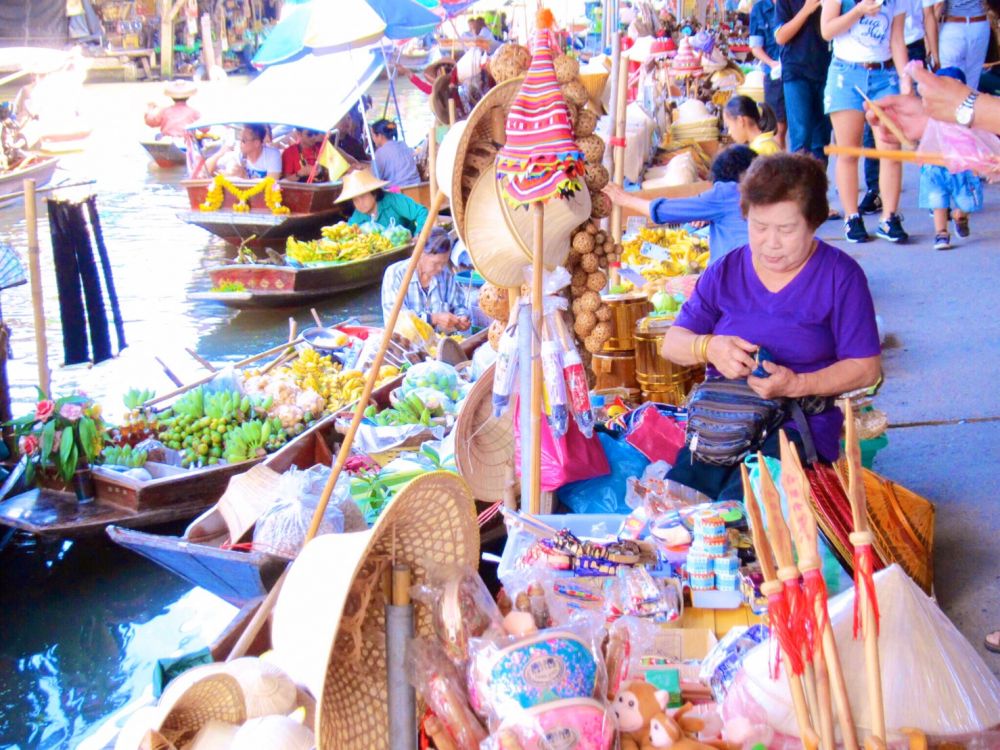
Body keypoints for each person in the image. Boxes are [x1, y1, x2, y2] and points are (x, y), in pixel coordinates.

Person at [660, 153, 882, 500]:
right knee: (678, 506)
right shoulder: (725, 271)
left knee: (745, 511)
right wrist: (709, 347)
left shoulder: (841, 276)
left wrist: (797, 384)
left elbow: (866, 368)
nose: (771, 242)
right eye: (759, 227)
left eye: (787, 229)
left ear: (814, 223)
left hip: (796, 427)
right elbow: (672, 343)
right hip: (722, 422)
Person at [821, 0, 911, 244]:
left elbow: (897, 39)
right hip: (846, 72)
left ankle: (889, 217)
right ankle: (852, 216)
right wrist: (859, 10)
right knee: (849, 150)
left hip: (885, 72)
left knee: (891, 149)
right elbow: (826, 30)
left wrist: (906, 81)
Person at [602, 145, 758, 263]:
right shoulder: (761, 193)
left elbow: (665, 211)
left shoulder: (727, 192)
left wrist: (625, 199)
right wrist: (710, 213)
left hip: (740, 274)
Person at [859, 0, 936, 215]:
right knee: (875, 129)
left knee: (919, 124)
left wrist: (931, 51)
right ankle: (875, 189)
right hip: (877, 51)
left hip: (910, 45)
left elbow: (930, 10)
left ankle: (935, 190)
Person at [917, 67, 983, 250]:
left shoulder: (968, 115)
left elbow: (978, 139)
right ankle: (941, 233)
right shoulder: (930, 114)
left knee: (967, 201)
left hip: (963, 166)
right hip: (936, 167)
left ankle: (960, 216)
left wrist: (978, 163)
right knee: (938, 201)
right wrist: (922, 157)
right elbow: (924, 138)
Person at [381, 226, 471, 333]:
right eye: (436, 263)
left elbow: (459, 305)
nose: (440, 268)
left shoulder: (446, 275)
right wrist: (433, 319)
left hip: (440, 345)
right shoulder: (395, 274)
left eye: (443, 263)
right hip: (407, 345)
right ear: (420, 254)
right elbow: (397, 320)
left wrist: (461, 319)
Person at [774, 0, 832, 164]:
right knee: (801, 136)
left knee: (822, 139)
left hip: (826, 69)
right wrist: (805, 11)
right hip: (796, 72)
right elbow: (780, 36)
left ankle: (818, 187)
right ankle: (799, 188)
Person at [337, 169, 429, 234]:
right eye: (355, 199)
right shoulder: (357, 216)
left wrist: (419, 235)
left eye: (363, 196)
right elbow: (349, 233)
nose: (360, 203)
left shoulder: (393, 200)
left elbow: (421, 212)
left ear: (374, 193)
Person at [925, 0, 990, 92]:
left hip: (952, 29)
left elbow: (938, 5)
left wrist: (931, 48)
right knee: (972, 89)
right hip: (980, 24)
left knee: (949, 88)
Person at [749, 0, 788, 149]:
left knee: (801, 128)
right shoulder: (759, 9)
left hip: (797, 71)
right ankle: (781, 168)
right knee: (778, 129)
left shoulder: (795, 4)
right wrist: (772, 63)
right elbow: (755, 47)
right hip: (773, 74)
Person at [205, 124, 282, 180]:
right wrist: (225, 174)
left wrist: (244, 177)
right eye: (240, 139)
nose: (240, 143)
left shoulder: (272, 155)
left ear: (257, 143)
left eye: (244, 140)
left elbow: (271, 185)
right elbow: (207, 169)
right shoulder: (237, 154)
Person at [370, 119, 421, 188]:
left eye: (373, 135)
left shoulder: (379, 154)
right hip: (417, 185)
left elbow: (375, 179)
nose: (372, 138)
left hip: (397, 191)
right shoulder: (403, 144)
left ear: (380, 136)